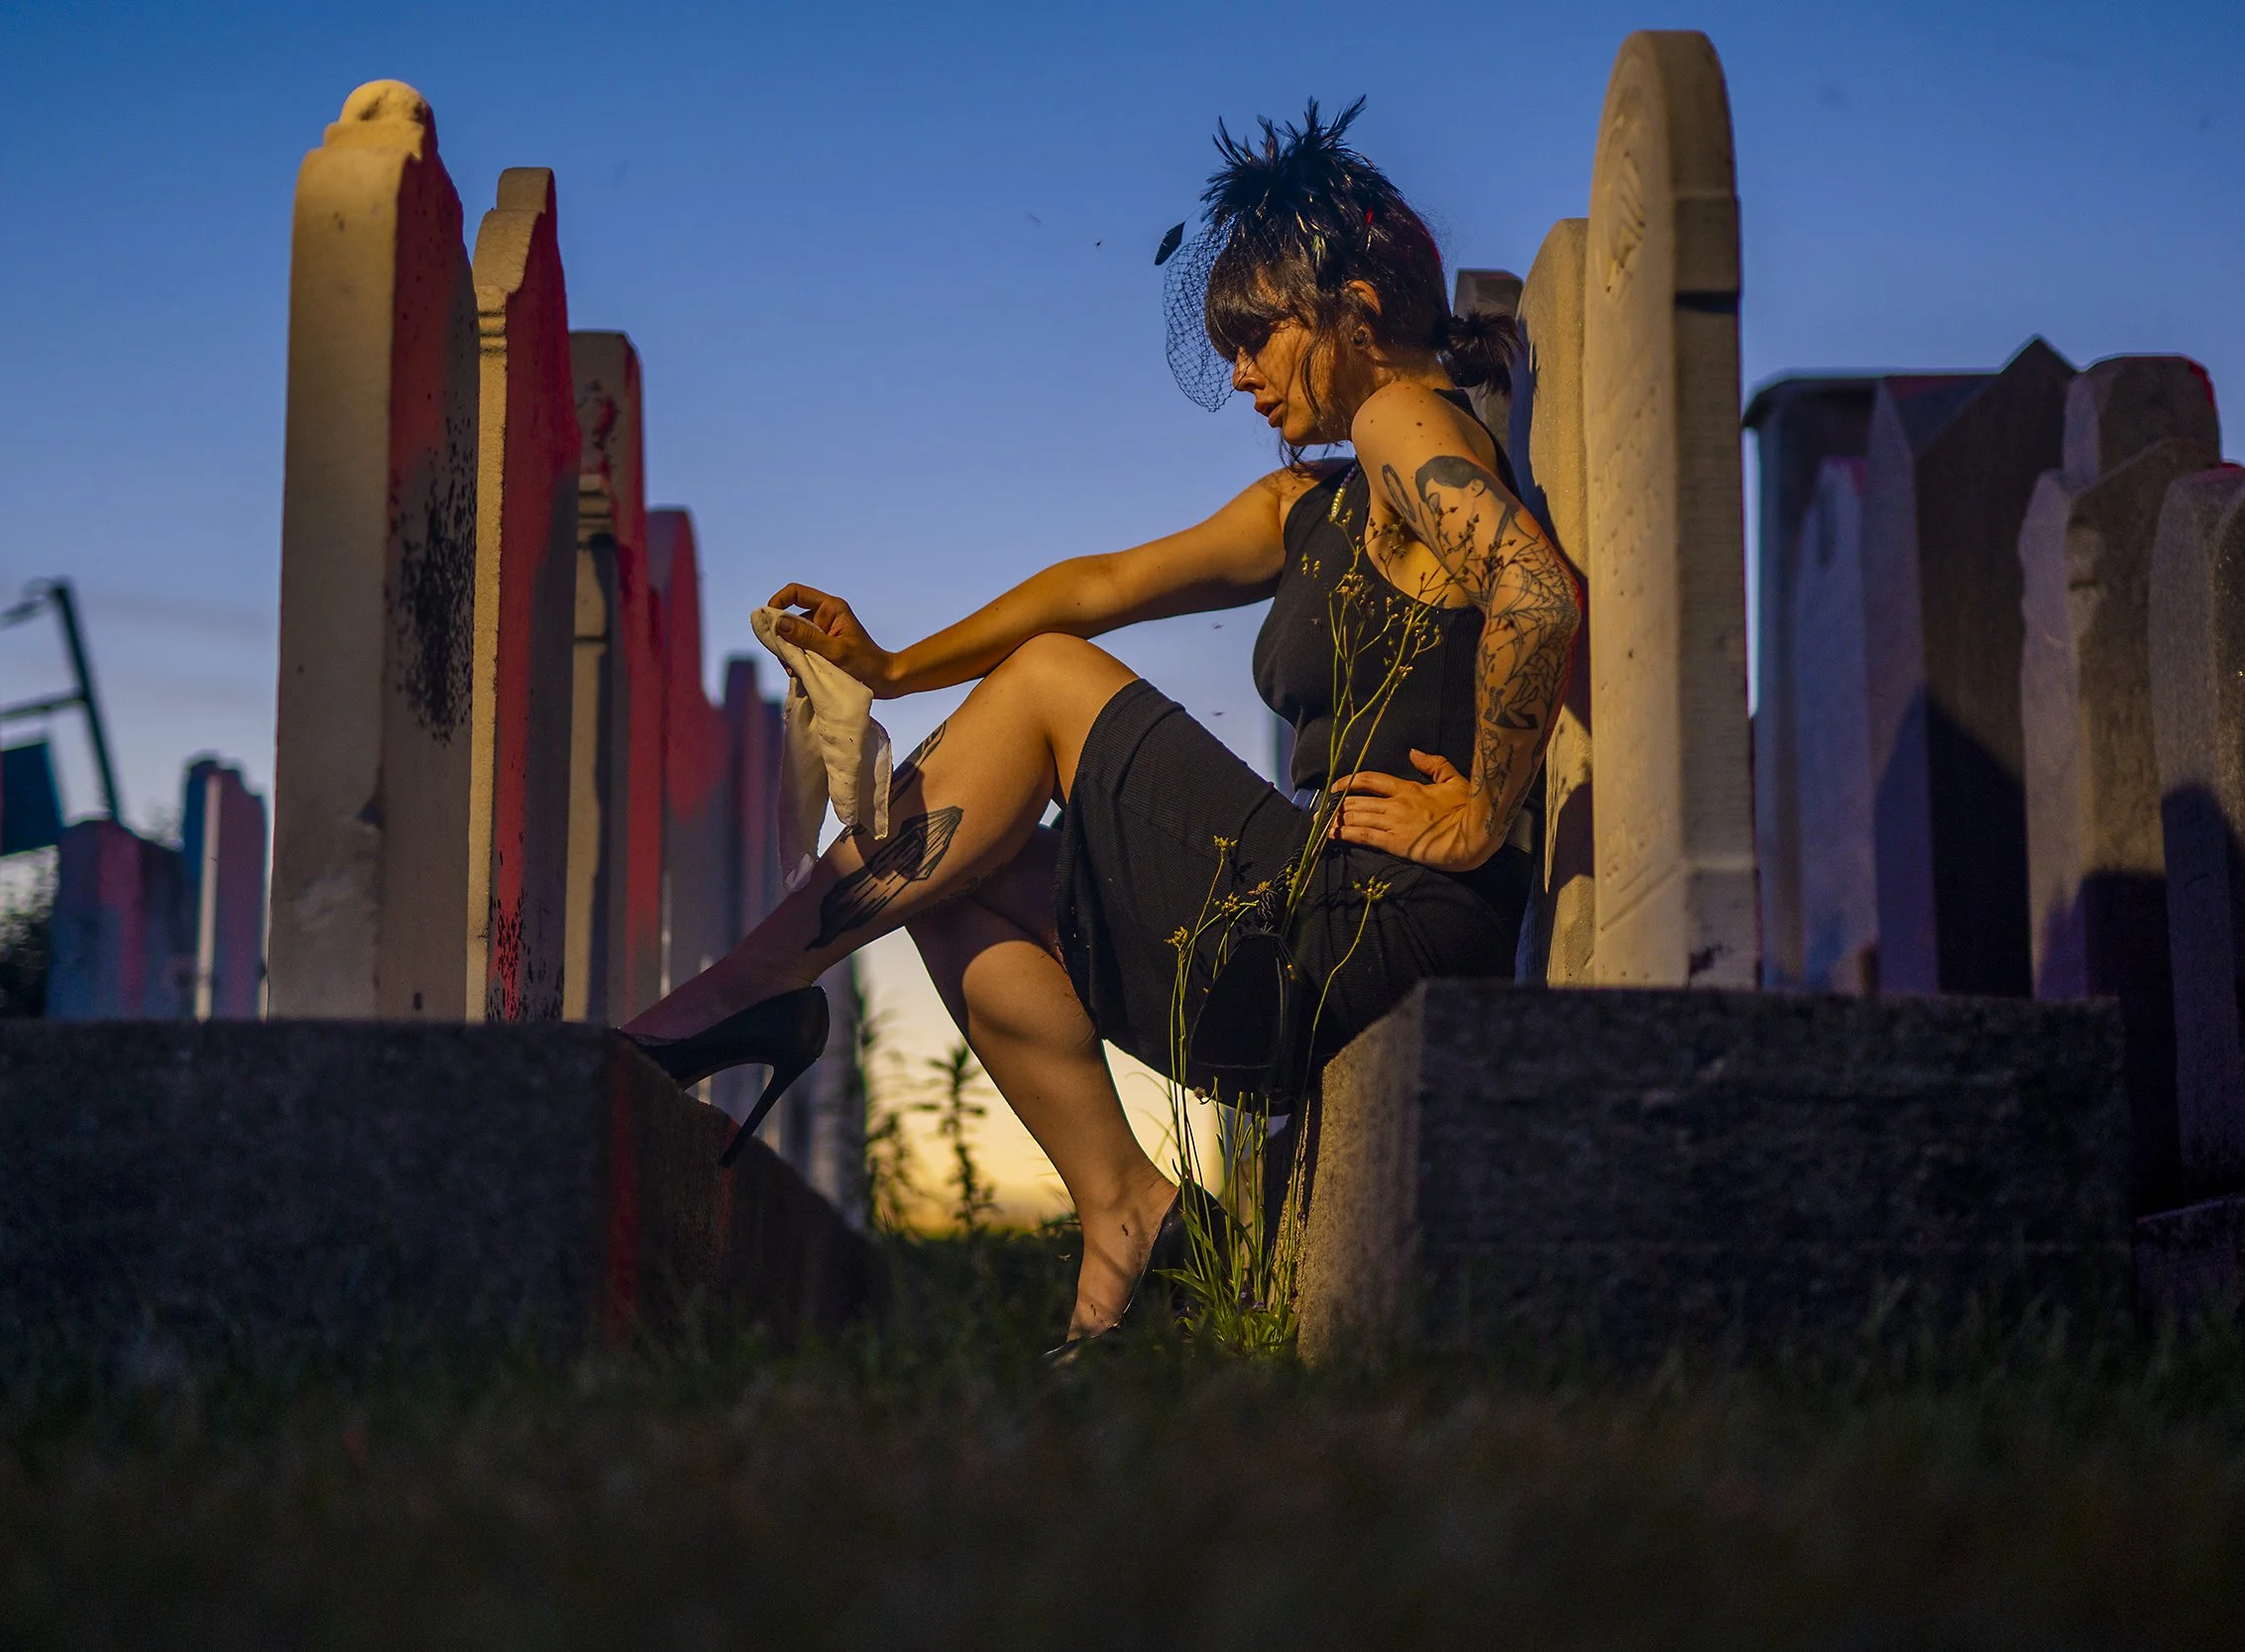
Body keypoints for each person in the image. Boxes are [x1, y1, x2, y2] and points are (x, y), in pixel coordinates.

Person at [627, 99, 1579, 1352]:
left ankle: (736, 994)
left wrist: (1477, 813)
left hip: (1380, 923)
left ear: (1354, 308)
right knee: (951, 875)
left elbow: (1534, 590)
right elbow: (1101, 583)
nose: (1238, 374)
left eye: (1260, 336)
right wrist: (895, 667)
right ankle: (1126, 1211)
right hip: (1321, 933)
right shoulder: (1310, 502)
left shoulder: (1400, 419)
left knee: (1046, 680)